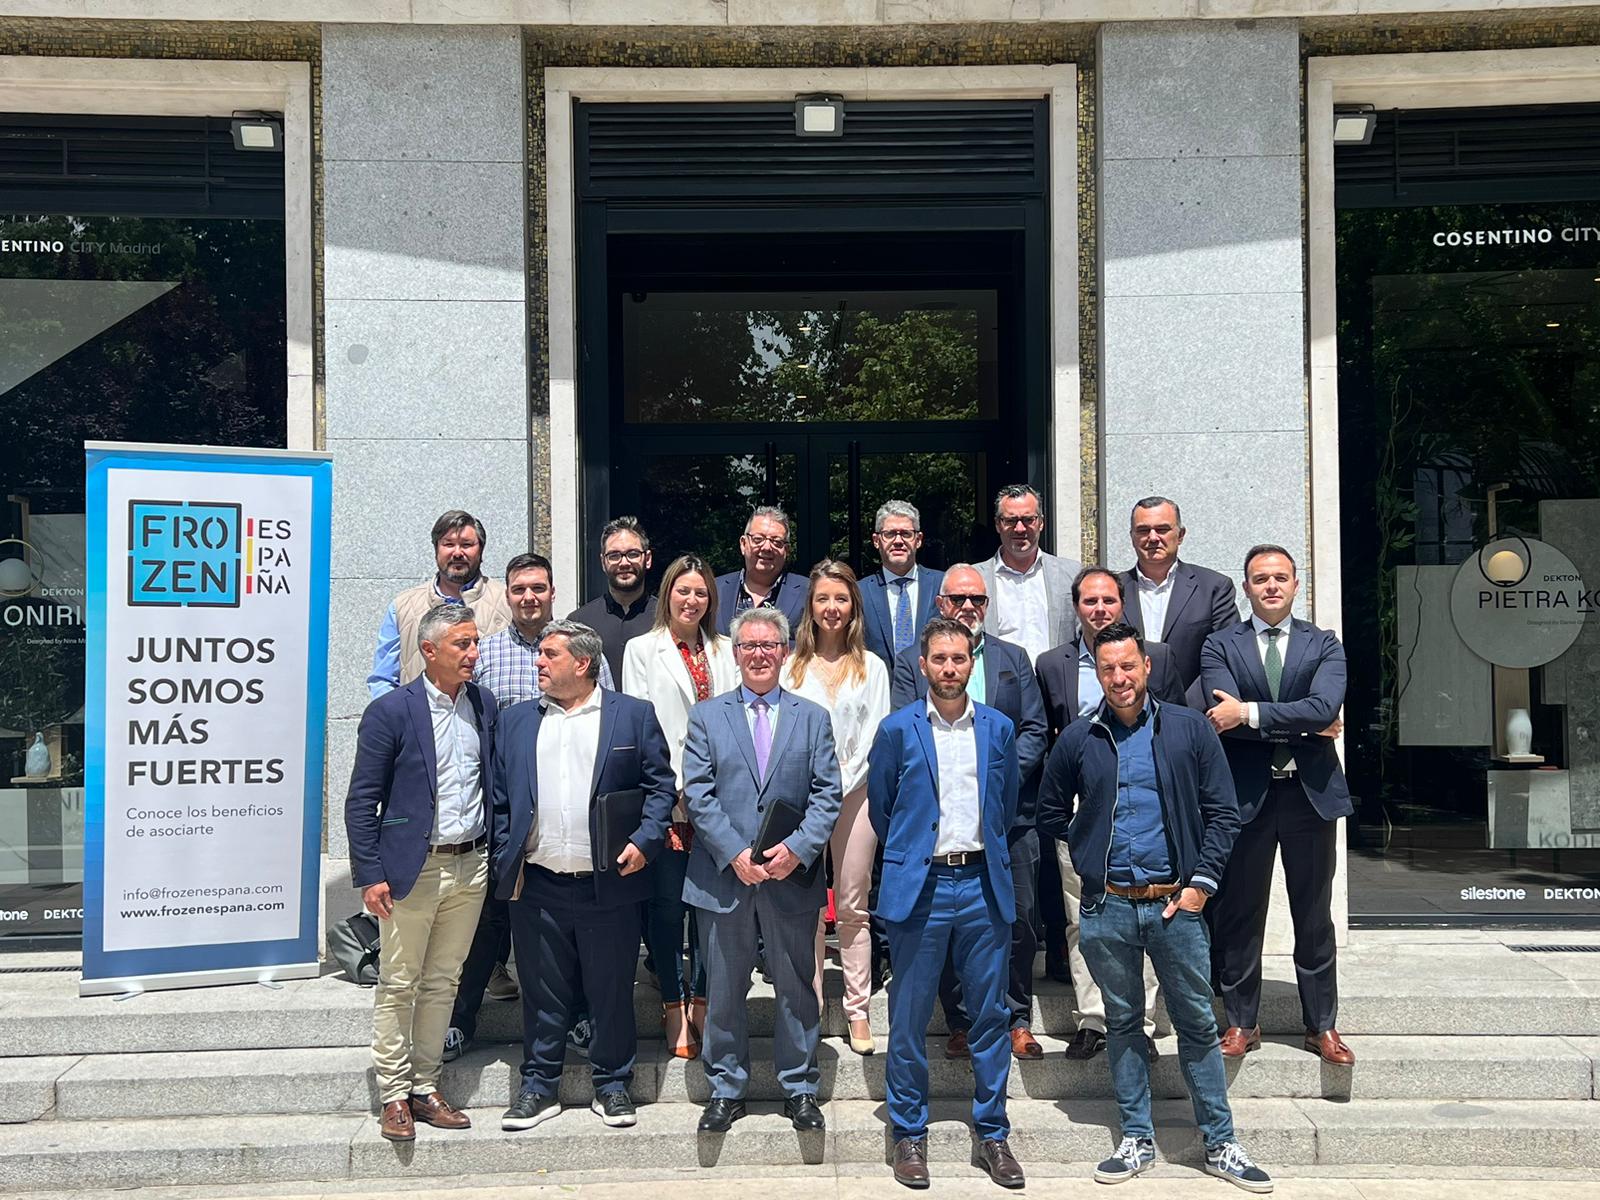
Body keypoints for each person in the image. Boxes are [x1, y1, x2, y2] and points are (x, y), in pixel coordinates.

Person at [1037, 622, 1272, 1194]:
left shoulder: (1189, 729)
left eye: (1128, 666)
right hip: (1109, 907)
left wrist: (1200, 886)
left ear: (1145, 666)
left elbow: (1223, 814)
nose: (1119, 678)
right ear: (1097, 674)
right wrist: (1088, 854)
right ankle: (1136, 1138)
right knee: (1122, 1023)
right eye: (1107, 669)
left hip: (1176, 905)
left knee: (1196, 1024)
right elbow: (1049, 812)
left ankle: (1220, 1143)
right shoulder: (1079, 737)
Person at [492, 620, 676, 1131]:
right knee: (541, 992)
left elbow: (660, 787)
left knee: (611, 989)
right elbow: (501, 798)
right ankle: (538, 1086)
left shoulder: (632, 716)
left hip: (609, 882)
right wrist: (506, 852)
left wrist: (645, 840)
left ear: (582, 662)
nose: (538, 662)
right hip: (537, 882)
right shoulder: (516, 721)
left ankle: (613, 1084)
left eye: (549, 654)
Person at [869, 617, 1024, 1190]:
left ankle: (993, 1133)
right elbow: (884, 809)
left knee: (990, 1016)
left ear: (972, 662)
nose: (950, 668)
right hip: (922, 888)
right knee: (909, 1018)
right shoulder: (896, 730)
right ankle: (909, 1133)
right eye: (939, 659)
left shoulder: (998, 728)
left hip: (982, 883)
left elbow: (1006, 805)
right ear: (923, 665)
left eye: (959, 658)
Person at [446, 552, 614, 1063]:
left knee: (570, 925)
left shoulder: (583, 650)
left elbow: (607, 721)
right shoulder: (487, 653)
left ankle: (579, 1017)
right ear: (508, 595)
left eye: (538, 588)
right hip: (505, 808)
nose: (529, 597)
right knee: (489, 921)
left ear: (552, 593)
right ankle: (460, 1020)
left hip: (566, 812)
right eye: (519, 589)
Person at [681, 608, 842, 1135]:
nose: (758, 655)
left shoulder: (812, 717)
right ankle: (726, 1089)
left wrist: (797, 849)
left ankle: (800, 1087)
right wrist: (734, 853)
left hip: (790, 878)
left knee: (796, 988)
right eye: (748, 646)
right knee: (725, 989)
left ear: (785, 652)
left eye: (768, 645)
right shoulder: (706, 716)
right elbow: (698, 793)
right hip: (724, 878)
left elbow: (827, 794)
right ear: (735, 654)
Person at [344, 604, 497, 1143]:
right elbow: (361, 800)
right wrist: (370, 873)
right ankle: (393, 1093)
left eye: (475, 642)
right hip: (413, 869)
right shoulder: (391, 711)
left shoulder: (483, 703)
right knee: (399, 982)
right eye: (463, 644)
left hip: (471, 865)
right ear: (429, 650)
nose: (474, 653)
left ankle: (425, 1086)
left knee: (443, 981)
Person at [1201, 545, 1354, 1068]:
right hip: (1246, 797)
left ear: (1296, 584)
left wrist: (1249, 713)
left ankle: (1322, 1025)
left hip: (1309, 797)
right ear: (1245, 587)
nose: (1271, 586)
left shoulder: (1324, 643)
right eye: (1260, 578)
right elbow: (1218, 716)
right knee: (1240, 913)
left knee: (1313, 915)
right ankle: (1242, 1022)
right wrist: (1302, 723)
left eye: (1280, 578)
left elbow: (1325, 706)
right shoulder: (1220, 645)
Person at [889, 565, 1047, 1062]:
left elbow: (1034, 729)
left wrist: (995, 777)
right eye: (958, 599)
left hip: (1009, 818)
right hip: (937, 827)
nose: (968, 607)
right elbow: (900, 739)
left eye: (977, 600)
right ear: (940, 604)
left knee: (1018, 918)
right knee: (943, 926)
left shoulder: (1014, 658)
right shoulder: (910, 661)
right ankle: (960, 1021)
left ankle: (1016, 1018)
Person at [1032, 566, 1182, 1060]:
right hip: (1085, 806)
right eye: (1089, 601)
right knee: (1084, 917)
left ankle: (1140, 1022)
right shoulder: (1052, 663)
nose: (1099, 609)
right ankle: (1094, 1019)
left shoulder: (1157, 656)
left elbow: (1174, 725)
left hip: (1147, 805)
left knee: (1146, 914)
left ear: (1123, 602)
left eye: (1108, 600)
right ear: (1076, 607)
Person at [621, 554, 739, 1059]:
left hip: (719, 798)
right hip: (666, 796)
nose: (691, 600)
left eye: (701, 593)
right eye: (682, 591)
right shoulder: (641, 649)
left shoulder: (727, 650)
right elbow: (640, 725)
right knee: (668, 909)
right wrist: (674, 787)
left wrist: (707, 787)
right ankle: (673, 1005)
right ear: (667, 593)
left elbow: (735, 721)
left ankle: (704, 1002)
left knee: (710, 908)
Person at [780, 559, 891, 1055]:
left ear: (853, 607)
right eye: (823, 598)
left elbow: (877, 734)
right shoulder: (790, 667)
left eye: (841, 599)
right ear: (810, 606)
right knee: (804, 908)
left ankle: (857, 1010)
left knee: (852, 905)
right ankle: (807, 1007)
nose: (832, 608)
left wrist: (840, 783)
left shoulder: (873, 667)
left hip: (856, 795)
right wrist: (816, 786)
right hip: (801, 800)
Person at [367, 510, 511, 698]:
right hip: (419, 715)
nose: (457, 553)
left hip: (488, 715)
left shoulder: (507, 602)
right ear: (436, 549)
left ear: (481, 550)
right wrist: (398, 714)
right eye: (448, 544)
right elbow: (383, 680)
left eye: (466, 545)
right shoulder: (403, 607)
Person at [1118, 497, 1238, 697]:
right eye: (1143, 530)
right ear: (1132, 537)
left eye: (1162, 529)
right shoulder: (1112, 591)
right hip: (1123, 707)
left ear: (1180, 535)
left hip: (1193, 708)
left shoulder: (1213, 588)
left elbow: (1226, 656)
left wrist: (1190, 707)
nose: (1153, 537)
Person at [975, 484, 1082, 666]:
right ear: (998, 524)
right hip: (999, 679)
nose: (1019, 528)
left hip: (1055, 680)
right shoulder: (976, 579)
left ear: (1041, 522)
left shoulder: (1072, 574)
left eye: (1028, 519)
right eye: (1011, 520)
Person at [569, 516, 658, 682]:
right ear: (603, 562)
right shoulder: (579, 623)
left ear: (647, 559)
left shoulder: (666, 619)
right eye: (614, 555)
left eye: (633, 554)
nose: (624, 563)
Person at [859, 500, 945, 669]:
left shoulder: (942, 585)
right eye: (890, 534)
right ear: (876, 540)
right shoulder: (859, 592)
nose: (898, 541)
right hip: (880, 684)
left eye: (906, 534)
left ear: (918, 540)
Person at [714, 506, 808, 635]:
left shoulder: (808, 592)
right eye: (758, 539)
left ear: (786, 551)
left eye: (776, 542)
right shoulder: (714, 590)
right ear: (743, 544)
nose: (767, 547)